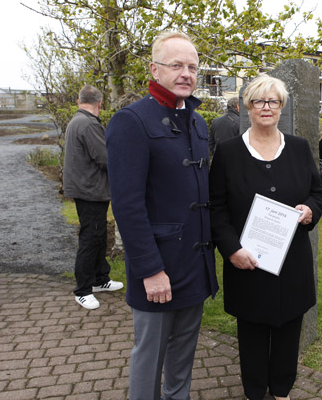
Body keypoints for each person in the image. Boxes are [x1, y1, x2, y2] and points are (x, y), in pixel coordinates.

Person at [105, 31, 219, 399]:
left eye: (192, 67)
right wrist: (151, 271)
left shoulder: (198, 122)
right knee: (149, 361)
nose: (186, 73)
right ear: (154, 69)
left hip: (194, 265)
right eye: (176, 65)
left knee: (182, 363)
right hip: (159, 270)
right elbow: (127, 205)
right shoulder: (131, 121)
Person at [209, 74, 322, 400]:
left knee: (290, 331)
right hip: (247, 263)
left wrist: (309, 210)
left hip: (292, 264)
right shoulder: (229, 152)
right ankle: (255, 391)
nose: (266, 107)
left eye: (273, 101)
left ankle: (282, 391)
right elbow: (216, 208)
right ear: (247, 106)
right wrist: (231, 250)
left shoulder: (299, 148)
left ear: (280, 107)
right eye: (259, 101)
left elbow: (318, 194)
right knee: (252, 335)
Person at [63, 84, 123, 310]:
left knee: (97, 237)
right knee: (91, 238)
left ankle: (100, 279)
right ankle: (83, 289)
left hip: (86, 188)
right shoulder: (88, 124)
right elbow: (106, 158)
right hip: (90, 191)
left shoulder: (77, 121)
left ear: (80, 101)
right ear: (100, 104)